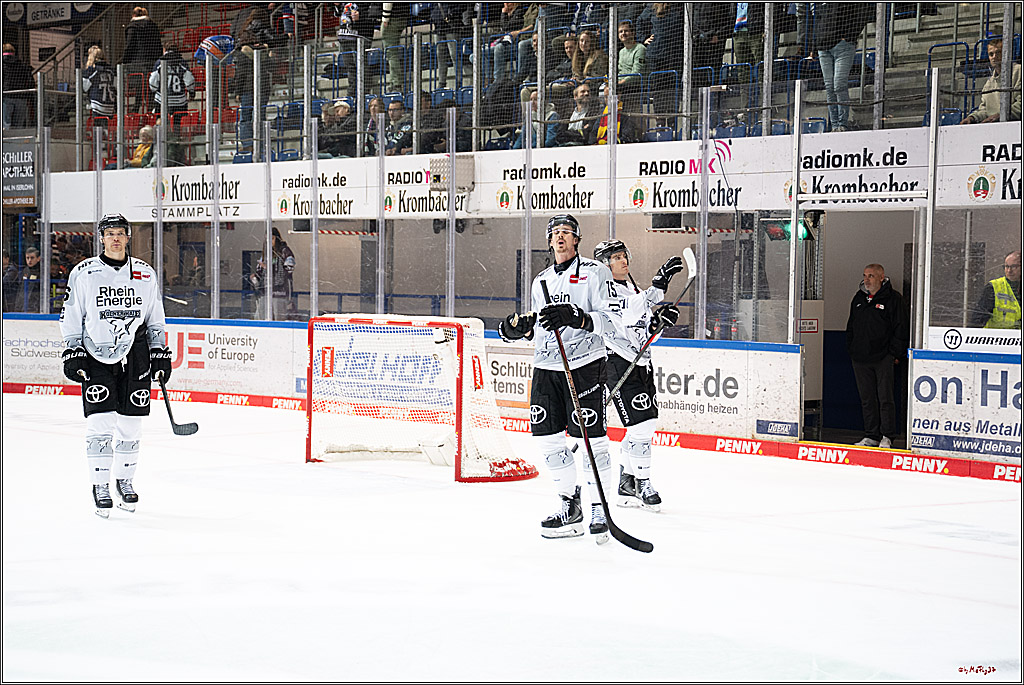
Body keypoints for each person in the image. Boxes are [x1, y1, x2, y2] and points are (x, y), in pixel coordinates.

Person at [497, 214, 618, 543]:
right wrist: (517, 330)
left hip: (584, 366)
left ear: (577, 239)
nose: (560, 237)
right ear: (549, 240)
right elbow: (540, 326)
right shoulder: (541, 280)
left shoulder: (596, 273)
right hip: (546, 368)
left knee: (593, 441)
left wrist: (577, 316)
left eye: (566, 232)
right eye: (555, 233)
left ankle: (598, 508)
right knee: (548, 440)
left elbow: (612, 320)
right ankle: (570, 504)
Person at [59, 213, 171, 517]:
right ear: (101, 238)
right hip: (95, 354)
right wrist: (73, 350)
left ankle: (125, 481)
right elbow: (71, 316)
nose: (116, 238)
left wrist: (159, 352)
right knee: (100, 422)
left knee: (131, 423)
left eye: (121, 233)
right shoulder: (84, 273)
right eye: (110, 233)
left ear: (128, 236)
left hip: (135, 354)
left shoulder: (146, 274)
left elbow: (155, 318)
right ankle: (100, 485)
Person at [593, 239, 683, 510]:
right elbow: (629, 309)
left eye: (624, 255)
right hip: (617, 360)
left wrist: (658, 324)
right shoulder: (601, 289)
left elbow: (642, 330)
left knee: (645, 423)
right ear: (604, 263)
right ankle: (642, 483)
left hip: (640, 361)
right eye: (616, 256)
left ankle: (626, 483)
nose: (623, 260)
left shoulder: (631, 287)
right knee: (642, 425)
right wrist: (658, 285)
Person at [845, 263, 908, 449]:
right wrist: (852, 350)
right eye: (865, 275)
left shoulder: (893, 299)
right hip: (860, 358)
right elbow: (851, 327)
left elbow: (901, 328)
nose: (866, 279)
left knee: (885, 398)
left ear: (882, 277)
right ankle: (871, 434)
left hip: (883, 358)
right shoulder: (858, 298)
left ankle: (887, 435)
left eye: (871, 276)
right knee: (867, 398)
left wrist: (894, 354)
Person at [811, 3, 873, 132]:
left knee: (839, 85)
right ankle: (834, 126)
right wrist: (814, 45)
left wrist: (850, 36)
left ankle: (842, 124)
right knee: (829, 87)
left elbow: (863, 11)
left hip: (843, 45)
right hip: (823, 47)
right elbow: (817, 19)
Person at [960, 38, 1023, 124]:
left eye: (998, 52)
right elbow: (984, 110)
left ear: (1007, 53)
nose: (994, 57)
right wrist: (972, 118)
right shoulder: (988, 84)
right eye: (991, 54)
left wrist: (1000, 115)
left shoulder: (1020, 72)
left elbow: (1020, 104)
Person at [122, 7, 163, 113]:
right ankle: (149, 110)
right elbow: (158, 44)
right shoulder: (153, 26)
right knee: (149, 87)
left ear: (133, 15)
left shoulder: (132, 27)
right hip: (151, 61)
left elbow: (130, 46)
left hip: (137, 62)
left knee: (140, 87)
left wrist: (125, 60)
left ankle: (136, 109)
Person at [333, 2, 378, 98]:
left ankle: (364, 93)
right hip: (344, 37)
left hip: (360, 36)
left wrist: (361, 16)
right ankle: (351, 95)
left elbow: (375, 13)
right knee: (350, 67)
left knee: (361, 66)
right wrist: (337, 5)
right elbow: (338, 13)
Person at [149, 42, 196, 132]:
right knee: (177, 125)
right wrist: (192, 92)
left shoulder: (160, 62)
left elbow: (153, 82)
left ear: (164, 50)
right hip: (179, 102)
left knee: (160, 122)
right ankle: (176, 140)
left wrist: (154, 90)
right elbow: (189, 80)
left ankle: (161, 140)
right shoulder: (182, 62)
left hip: (162, 100)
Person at [251, 227, 296, 319]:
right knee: (261, 317)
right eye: (267, 239)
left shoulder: (285, 252)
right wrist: (255, 278)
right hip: (265, 293)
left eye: (272, 238)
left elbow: (289, 270)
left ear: (277, 238)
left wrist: (269, 268)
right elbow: (259, 270)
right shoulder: (266, 253)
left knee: (279, 318)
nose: (269, 241)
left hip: (280, 293)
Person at [970, 250, 1022, 329]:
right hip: (996, 338)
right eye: (1006, 266)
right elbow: (977, 320)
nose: (1009, 271)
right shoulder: (993, 288)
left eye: (1014, 266)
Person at [2, 43, 35, 129]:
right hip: (21, 96)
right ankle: (18, 141)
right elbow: (30, 81)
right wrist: (29, 95)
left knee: (5, 123)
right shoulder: (22, 65)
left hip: (6, 95)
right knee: (19, 124)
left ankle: (5, 141)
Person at [616, 20, 646, 112]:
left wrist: (620, 83)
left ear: (633, 33)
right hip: (622, 85)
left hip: (634, 86)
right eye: (621, 31)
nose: (623, 34)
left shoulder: (640, 48)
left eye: (626, 31)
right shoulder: (621, 52)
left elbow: (637, 73)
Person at [380, 3, 410, 93]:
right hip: (402, 16)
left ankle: (395, 84)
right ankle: (394, 83)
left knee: (391, 53)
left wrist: (385, 18)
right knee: (392, 52)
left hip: (393, 18)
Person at [82, 47, 116, 120]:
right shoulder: (111, 70)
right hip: (110, 106)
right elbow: (116, 86)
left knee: (97, 127)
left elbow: (84, 87)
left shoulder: (92, 70)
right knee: (106, 127)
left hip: (97, 104)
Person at [19, 247, 42, 312]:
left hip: (36, 306)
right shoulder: (25, 271)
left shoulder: (42, 272)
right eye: (27, 258)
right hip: (24, 305)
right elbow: (20, 290)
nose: (29, 260)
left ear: (38, 259)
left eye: (32, 258)